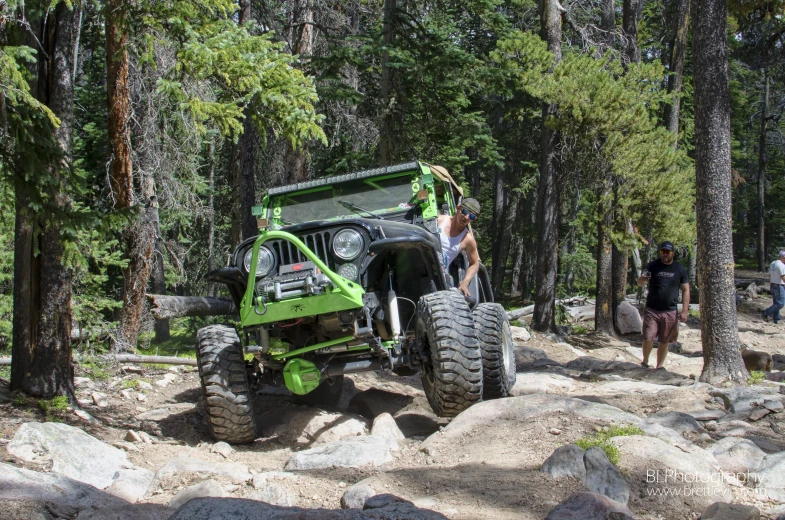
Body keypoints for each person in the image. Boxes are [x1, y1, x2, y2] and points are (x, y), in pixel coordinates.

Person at [637, 241, 690, 369]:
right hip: (652, 309)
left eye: (668, 252)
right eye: (663, 252)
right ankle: (645, 361)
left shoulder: (680, 269)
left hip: (670, 310)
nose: (665, 254)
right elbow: (639, 283)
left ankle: (659, 366)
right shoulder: (652, 266)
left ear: (673, 253)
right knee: (648, 337)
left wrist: (684, 311)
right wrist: (643, 279)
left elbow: (686, 290)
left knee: (664, 340)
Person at [437, 197, 481, 297]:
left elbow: (475, 264)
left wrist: (465, 282)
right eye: (464, 211)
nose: (466, 217)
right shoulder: (440, 220)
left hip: (440, 273)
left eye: (472, 216)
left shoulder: (468, 239)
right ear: (458, 208)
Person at [762, 251, 785, 324]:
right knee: (780, 303)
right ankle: (766, 313)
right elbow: (783, 276)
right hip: (779, 286)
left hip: (773, 285)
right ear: (783, 257)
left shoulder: (773, 263)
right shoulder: (781, 265)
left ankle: (776, 319)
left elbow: (769, 275)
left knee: (776, 302)